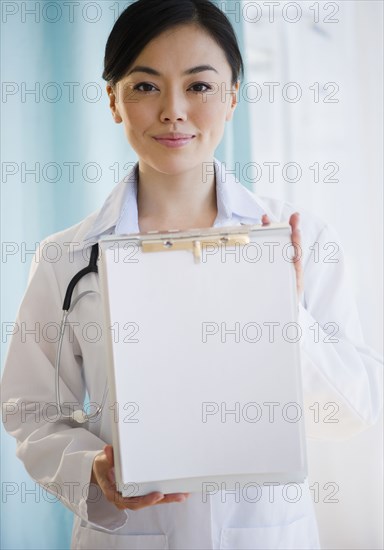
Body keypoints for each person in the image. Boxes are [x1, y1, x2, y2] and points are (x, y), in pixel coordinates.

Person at [2, 1, 382, 548]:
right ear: (113, 100)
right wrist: (92, 469)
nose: (174, 110)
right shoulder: (67, 257)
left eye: (200, 86)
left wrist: (283, 318)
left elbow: (354, 409)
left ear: (232, 97)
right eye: (145, 86)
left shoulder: (299, 241)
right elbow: (32, 411)